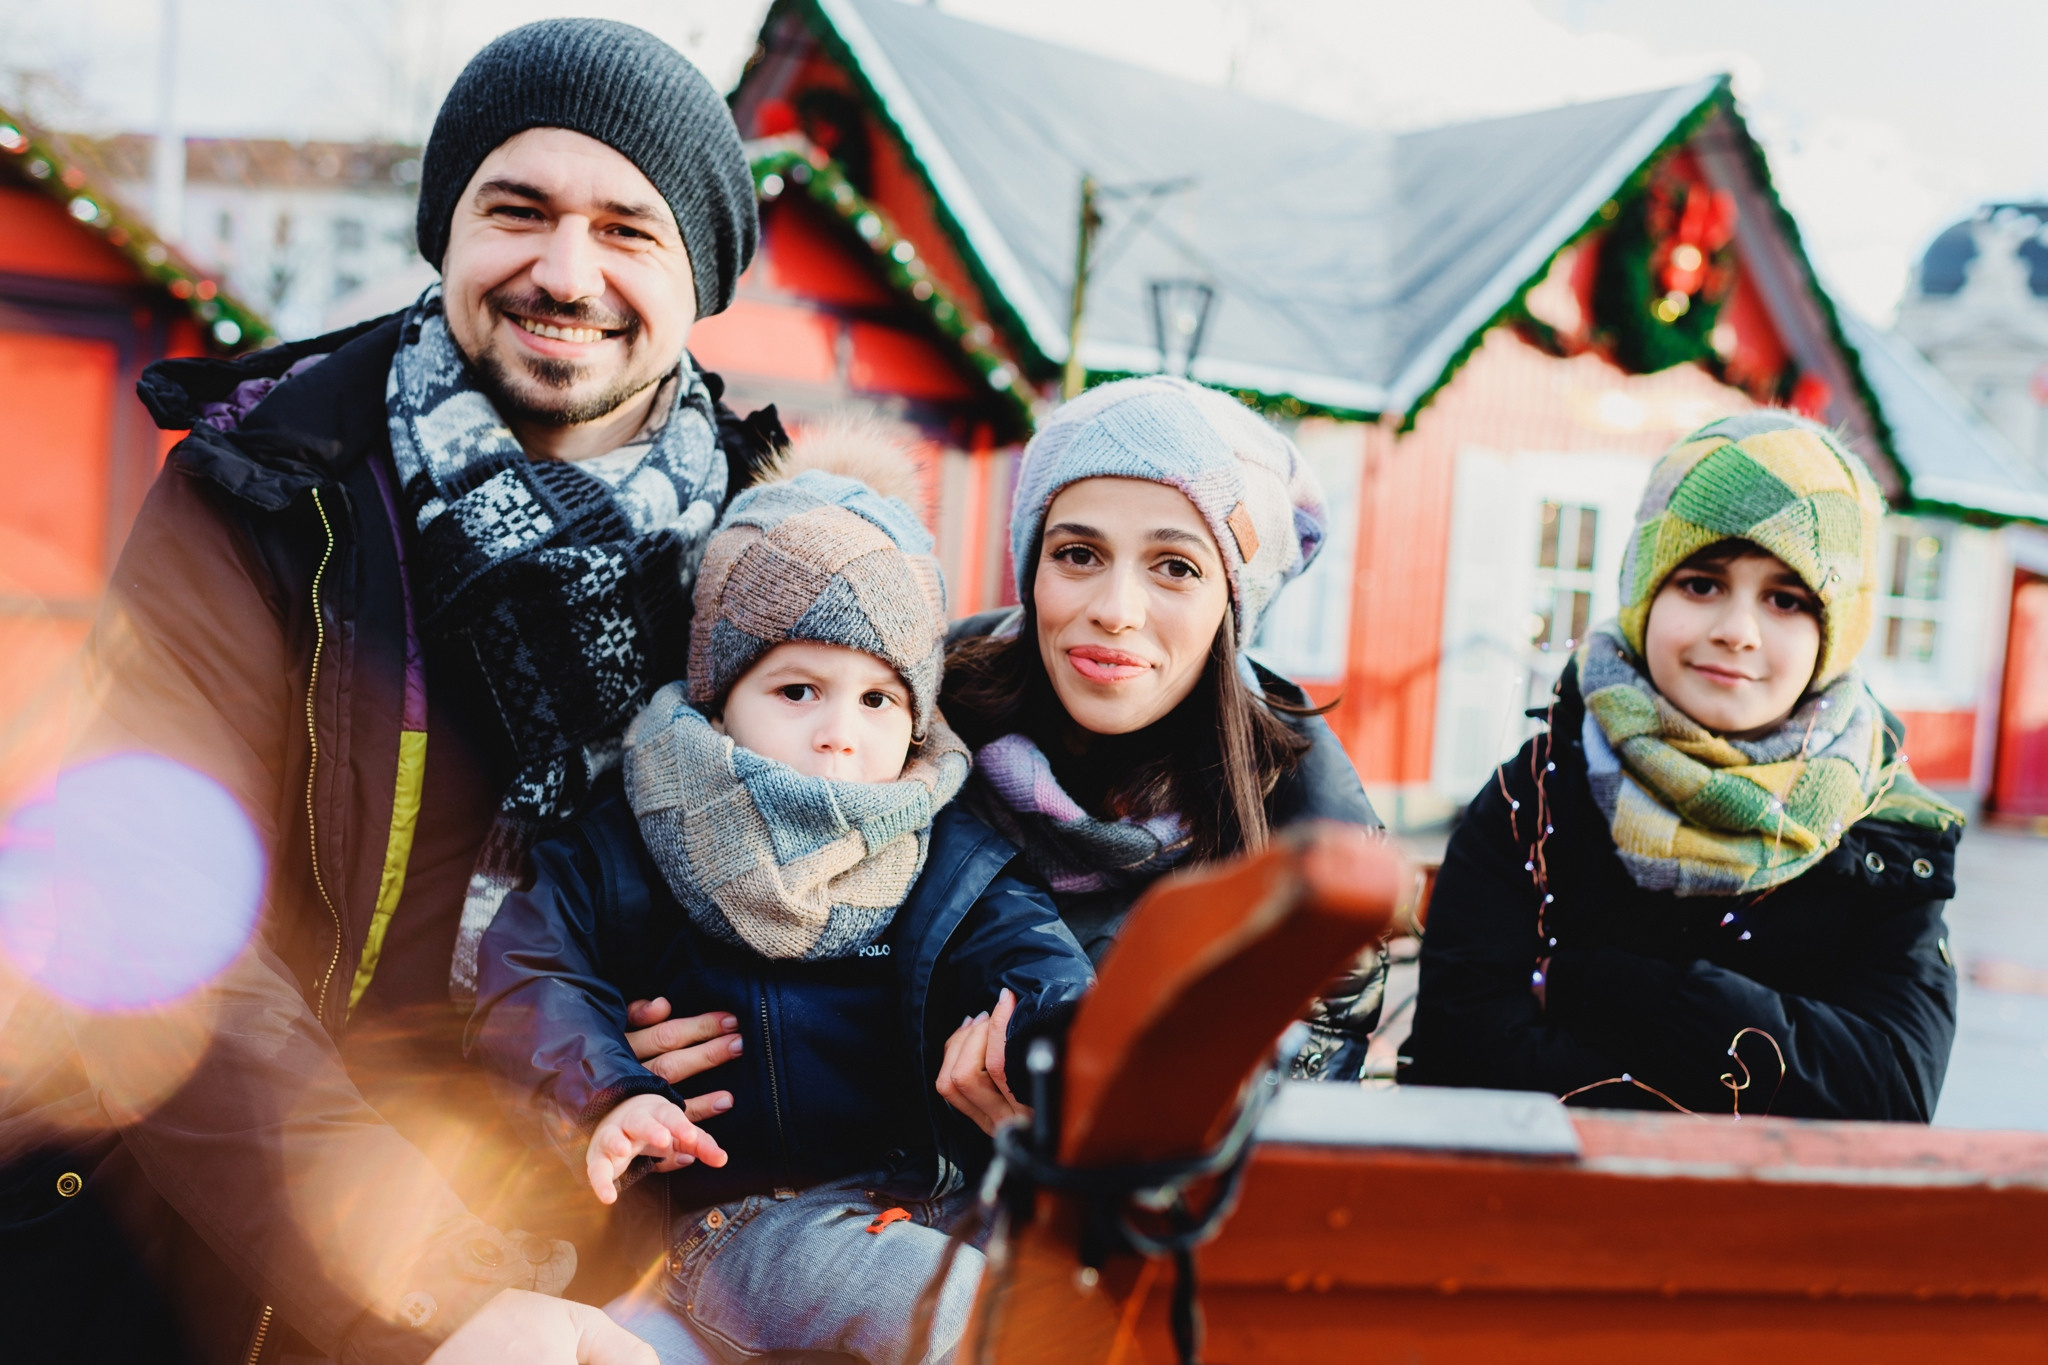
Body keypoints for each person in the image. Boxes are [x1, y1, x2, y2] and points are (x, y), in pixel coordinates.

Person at [3, 20, 773, 1364]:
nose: (565, 271)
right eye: (517, 210)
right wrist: (434, 1287)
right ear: (447, 232)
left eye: (627, 229)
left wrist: (669, 1016)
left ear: (696, 273)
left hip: (593, 1288)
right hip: (215, 1274)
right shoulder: (261, 496)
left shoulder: (775, 558)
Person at [470, 426, 1095, 1365]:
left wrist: (1066, 1043)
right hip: (740, 1218)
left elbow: (1030, 957)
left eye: (877, 699)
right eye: (799, 690)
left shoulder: (940, 848)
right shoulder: (635, 835)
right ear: (722, 696)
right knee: (961, 1308)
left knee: (1060, 1281)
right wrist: (609, 1093)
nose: (840, 732)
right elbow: (529, 971)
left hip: (923, 1199)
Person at [1401, 412, 1963, 1121]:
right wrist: (1739, 1068)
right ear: (1646, 593)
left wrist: (1628, 990)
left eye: (1785, 599)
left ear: (1836, 628)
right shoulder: (1536, 795)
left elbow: (1891, 1092)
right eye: (1701, 584)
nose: (1736, 630)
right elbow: (1459, 1059)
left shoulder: (1885, 830)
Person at [939, 375, 1387, 1089]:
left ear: (1230, 608)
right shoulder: (897, 735)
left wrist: (1094, 1147)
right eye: (1078, 553)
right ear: (1031, 570)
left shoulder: (1306, 844)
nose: (1116, 610)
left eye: (1175, 567)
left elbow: (1280, 1119)